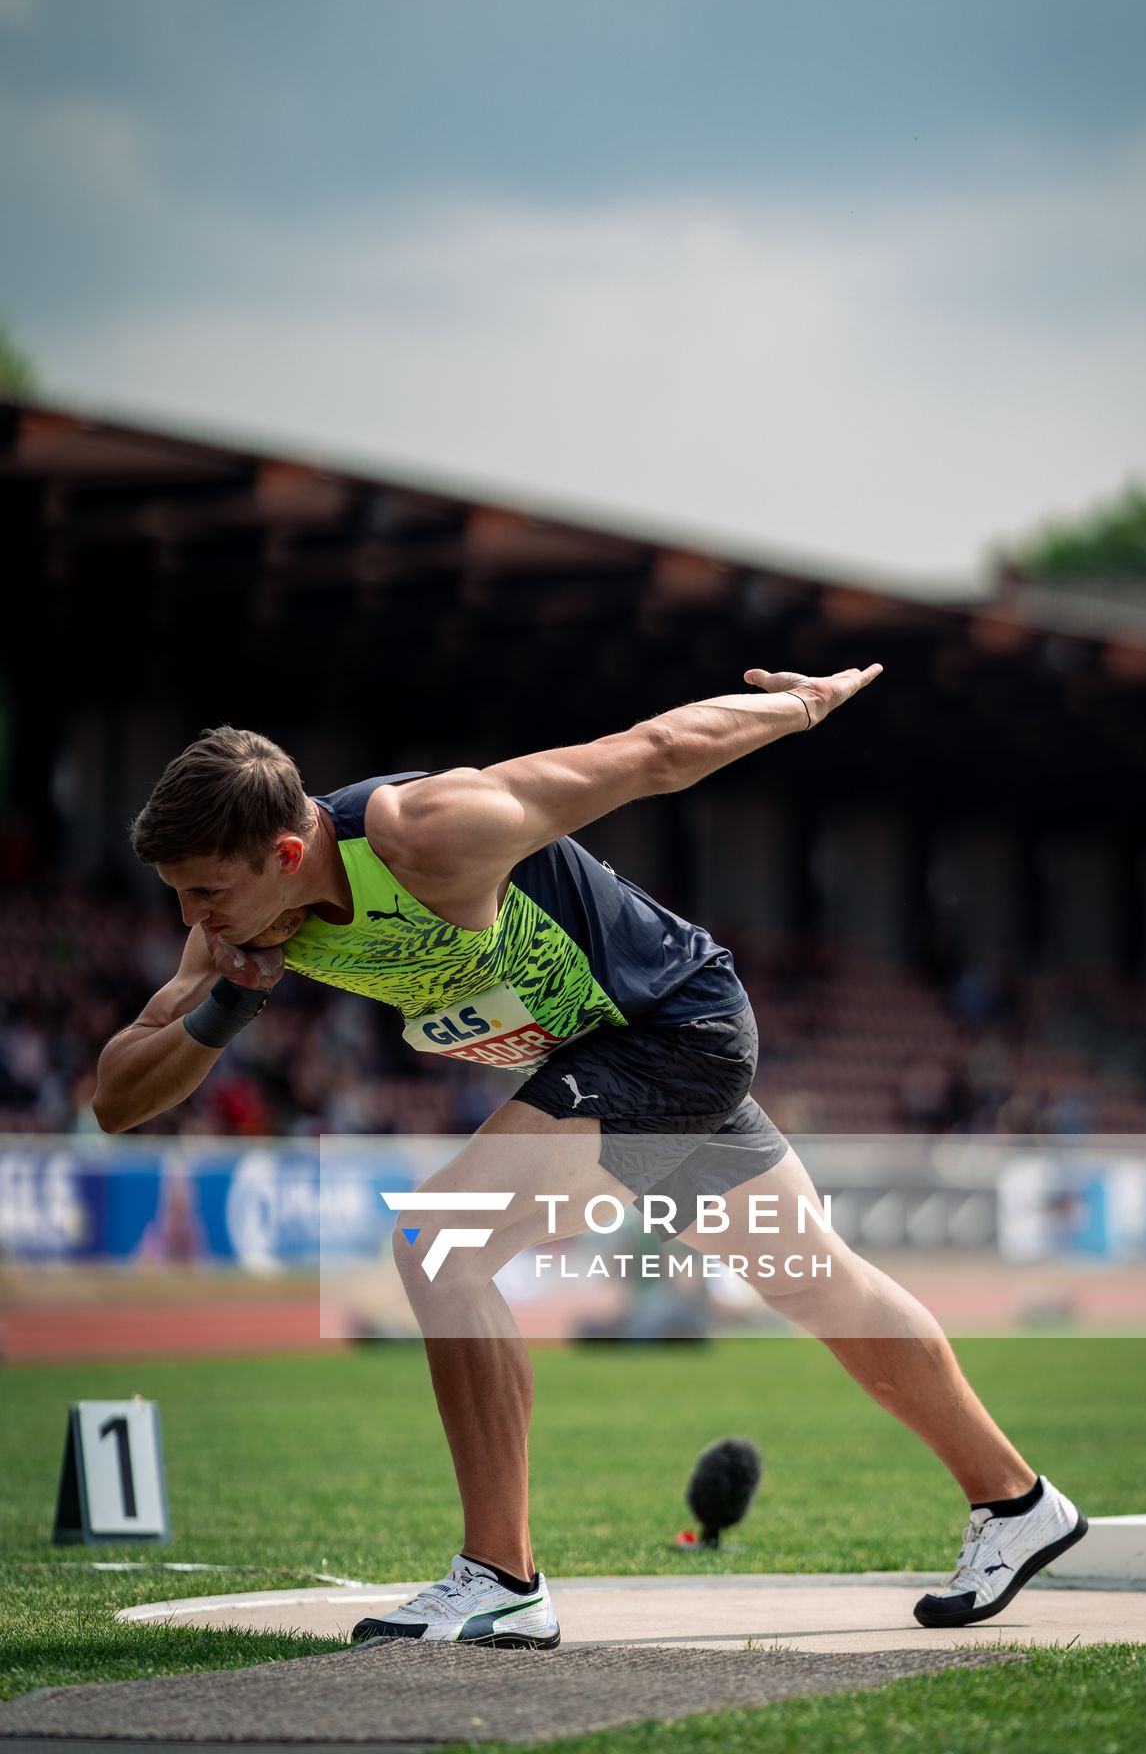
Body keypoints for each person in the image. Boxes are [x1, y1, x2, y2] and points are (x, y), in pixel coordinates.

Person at [94, 664, 1087, 1647]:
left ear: (282, 850)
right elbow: (116, 1097)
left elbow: (649, 755)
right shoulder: (233, 927)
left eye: (206, 894)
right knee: (818, 1284)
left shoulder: (429, 830)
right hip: (608, 1057)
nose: (193, 920)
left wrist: (800, 703)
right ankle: (1015, 1501)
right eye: (181, 896)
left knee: (442, 1242)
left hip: (669, 1030)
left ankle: (501, 1581)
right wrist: (231, 998)